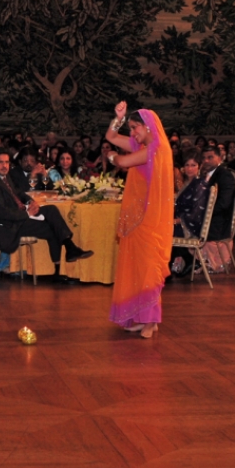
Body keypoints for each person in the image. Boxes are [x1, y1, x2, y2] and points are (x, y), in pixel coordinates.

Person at [104, 102, 174, 339]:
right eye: (131, 128)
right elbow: (111, 135)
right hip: (136, 219)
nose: (132, 133)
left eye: (135, 128)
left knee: (148, 271)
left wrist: (113, 156)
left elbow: (123, 162)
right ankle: (137, 317)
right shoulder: (140, 144)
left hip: (149, 221)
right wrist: (119, 119)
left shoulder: (157, 149)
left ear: (148, 126)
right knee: (136, 269)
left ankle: (151, 321)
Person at [0, 149, 92, 279]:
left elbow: (18, 192)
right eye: (1, 162)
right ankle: (59, 268)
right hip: (7, 225)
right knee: (50, 227)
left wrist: (31, 201)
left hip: (16, 217)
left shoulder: (2, 176)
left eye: (7, 162)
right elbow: (2, 212)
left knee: (51, 210)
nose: (5, 166)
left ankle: (69, 248)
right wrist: (27, 213)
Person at [170, 150, 210, 277]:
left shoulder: (200, 185)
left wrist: (177, 221)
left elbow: (197, 213)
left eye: (193, 165)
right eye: (187, 165)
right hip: (184, 222)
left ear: (199, 166)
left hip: (192, 225)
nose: (190, 168)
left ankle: (170, 267)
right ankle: (189, 260)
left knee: (164, 231)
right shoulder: (187, 183)